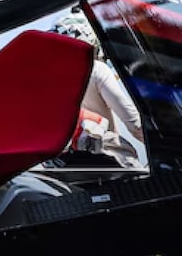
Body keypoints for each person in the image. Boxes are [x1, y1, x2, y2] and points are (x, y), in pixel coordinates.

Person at [50, 9, 145, 169]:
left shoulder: (48, 80)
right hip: (107, 159)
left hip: (65, 165)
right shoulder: (97, 69)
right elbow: (135, 125)